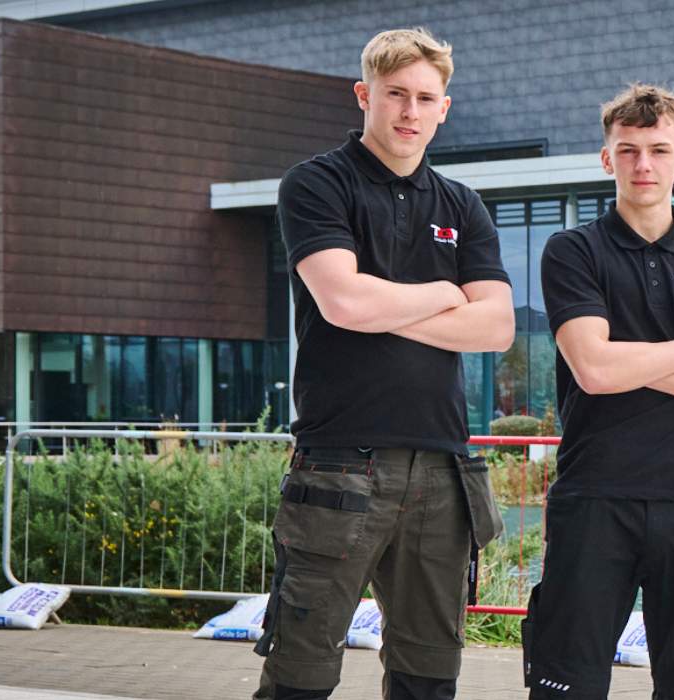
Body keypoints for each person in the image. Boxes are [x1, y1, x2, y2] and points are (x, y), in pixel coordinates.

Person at [255, 26, 514, 700]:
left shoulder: (462, 205)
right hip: (341, 463)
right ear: (363, 95)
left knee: (429, 678)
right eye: (395, 94)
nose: (410, 111)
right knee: (300, 677)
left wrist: (388, 306)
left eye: (426, 97)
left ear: (444, 109)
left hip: (443, 467)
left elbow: (497, 327)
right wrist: (443, 293)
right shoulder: (316, 184)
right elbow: (342, 302)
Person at [522, 83, 674, 700]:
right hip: (593, 498)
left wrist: (627, 358)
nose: (643, 164)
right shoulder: (572, 250)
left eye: (658, 149)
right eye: (628, 151)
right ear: (607, 159)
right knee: (565, 686)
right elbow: (593, 370)